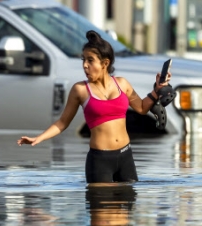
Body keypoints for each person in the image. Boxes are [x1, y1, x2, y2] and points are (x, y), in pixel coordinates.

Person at [17, 30, 171, 183]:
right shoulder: (80, 90)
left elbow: (142, 108)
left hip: (126, 157)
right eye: (83, 60)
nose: (85, 65)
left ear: (105, 63)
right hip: (100, 161)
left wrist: (157, 90)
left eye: (90, 60)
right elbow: (62, 123)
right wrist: (39, 138)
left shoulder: (122, 84)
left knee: (127, 206)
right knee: (102, 206)